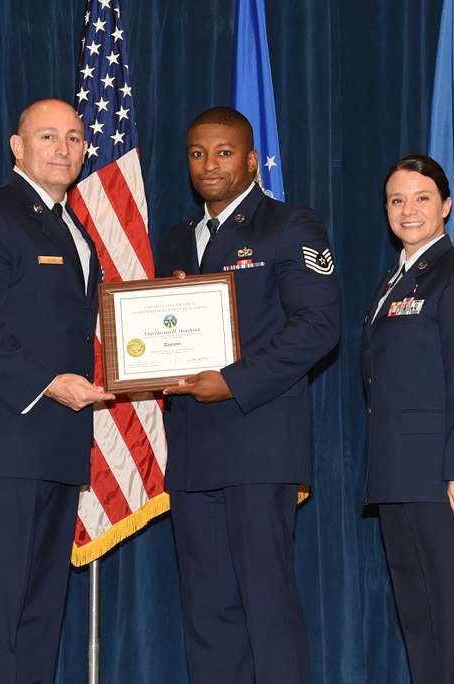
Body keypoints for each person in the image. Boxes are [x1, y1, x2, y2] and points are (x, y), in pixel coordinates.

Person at [156, 106, 340, 684]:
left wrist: (233, 381)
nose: (210, 165)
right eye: (197, 153)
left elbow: (318, 326)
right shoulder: (177, 240)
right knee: (207, 612)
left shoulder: (290, 226)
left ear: (252, 159)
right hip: (193, 452)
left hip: (259, 447)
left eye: (224, 152)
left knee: (267, 605)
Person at [0, 98, 114, 684]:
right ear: (18, 147)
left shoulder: (75, 230)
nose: (64, 149)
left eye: (74, 137)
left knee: (40, 618)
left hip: (59, 450)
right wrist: (47, 384)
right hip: (1, 449)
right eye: (48, 137)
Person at [362, 154, 454, 683]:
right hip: (402, 481)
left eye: (422, 198)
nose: (408, 210)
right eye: (397, 200)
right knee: (422, 633)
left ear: (446, 206)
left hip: (450, 484)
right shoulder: (391, 284)